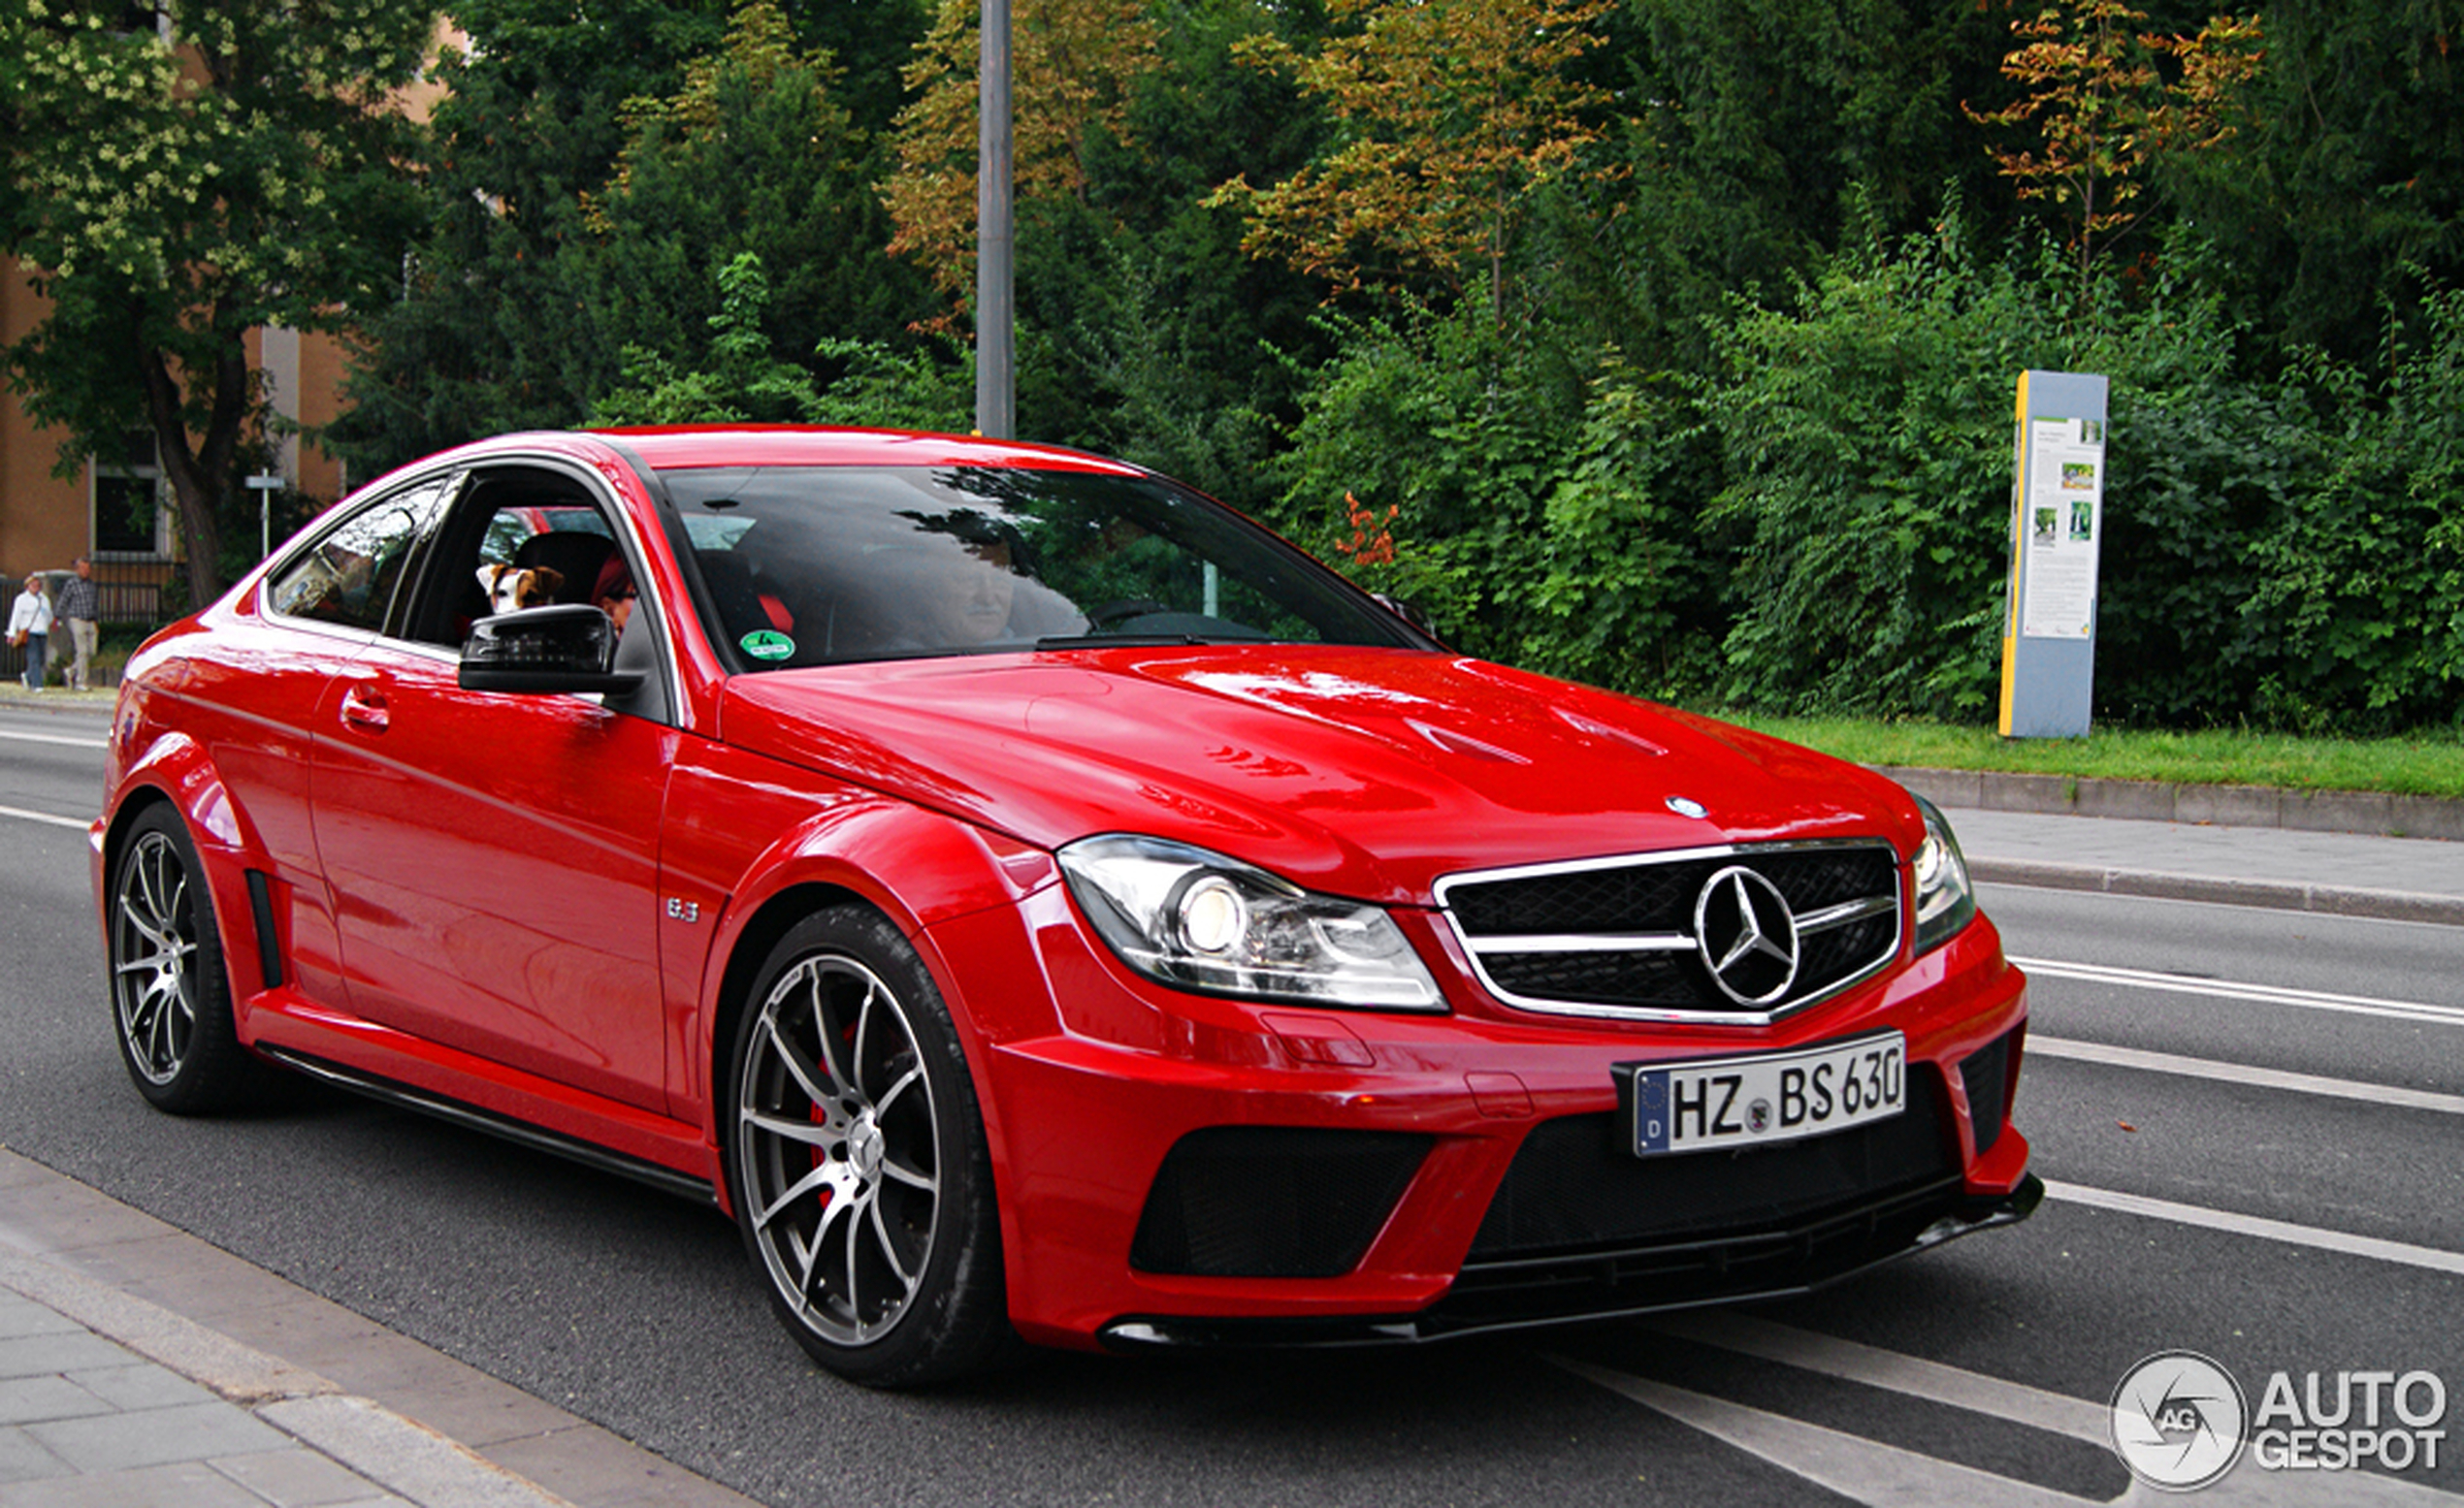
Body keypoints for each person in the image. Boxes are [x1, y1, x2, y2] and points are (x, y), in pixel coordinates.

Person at [55, 556, 101, 691]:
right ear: (77, 569)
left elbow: (95, 604)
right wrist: (57, 616)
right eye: (82, 568)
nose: (85, 571)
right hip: (77, 619)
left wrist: (96, 621)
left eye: (87, 568)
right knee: (82, 652)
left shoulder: (92, 585)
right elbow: (63, 600)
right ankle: (81, 681)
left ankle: (71, 670)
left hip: (90, 620)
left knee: (91, 651)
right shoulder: (72, 584)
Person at [9, 572, 54, 690]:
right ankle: (37, 684)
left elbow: (48, 614)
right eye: (33, 585)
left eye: (37, 585)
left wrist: (52, 623)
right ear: (27, 586)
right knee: (33, 658)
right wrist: (12, 633)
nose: (35, 587)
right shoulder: (21, 599)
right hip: (30, 632)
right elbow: (16, 617)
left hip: (42, 631)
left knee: (41, 659)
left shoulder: (44, 599)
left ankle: (28, 676)